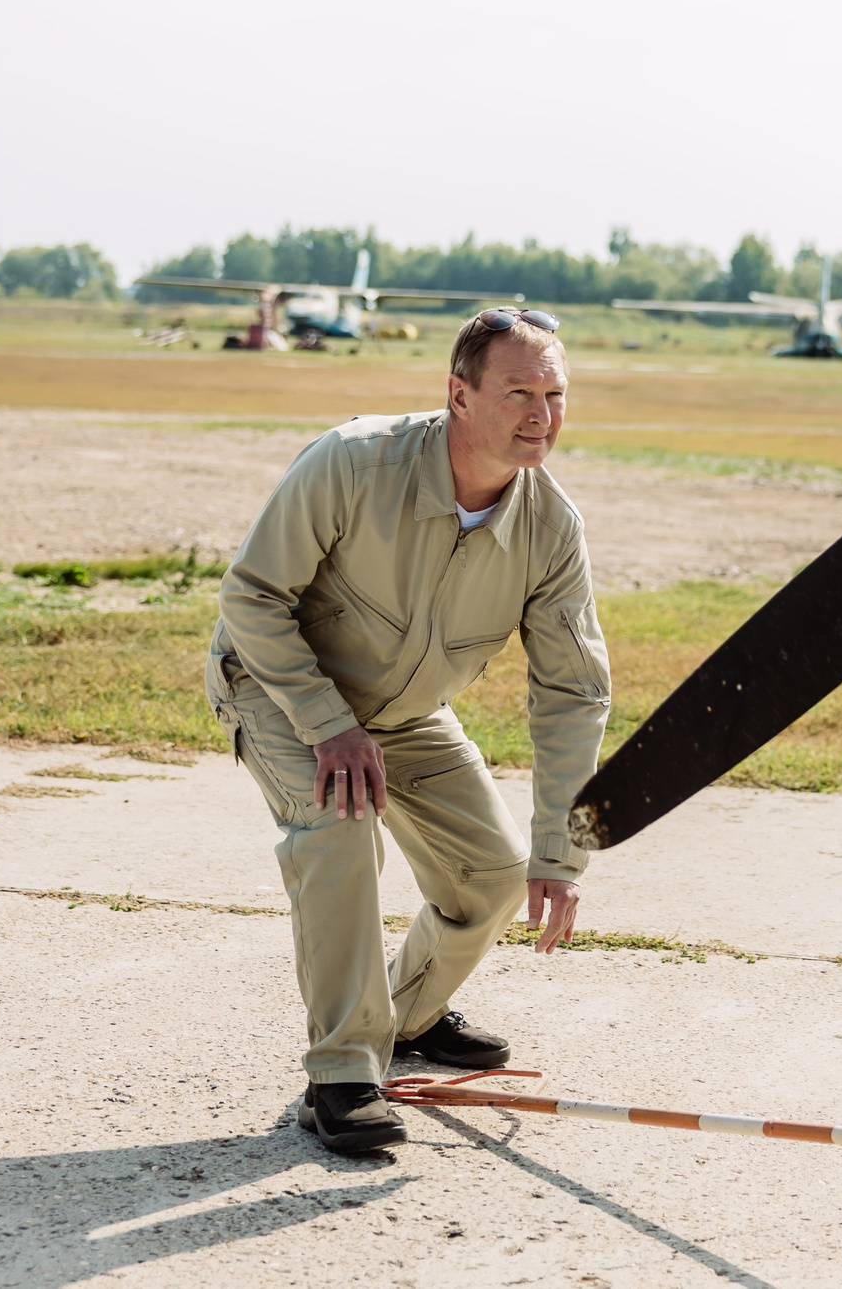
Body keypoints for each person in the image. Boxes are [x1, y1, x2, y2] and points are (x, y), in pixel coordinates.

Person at [206, 307, 610, 1155]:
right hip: (278, 689)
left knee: (494, 875)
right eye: (519, 392)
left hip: (401, 715)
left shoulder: (551, 526)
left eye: (556, 393)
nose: (542, 414)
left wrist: (561, 853)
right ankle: (342, 1074)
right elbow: (250, 599)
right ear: (458, 394)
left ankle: (409, 1019)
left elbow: (572, 693)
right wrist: (325, 724)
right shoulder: (354, 461)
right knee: (340, 826)